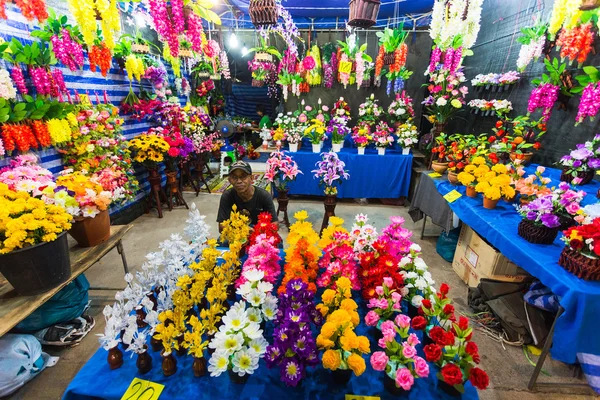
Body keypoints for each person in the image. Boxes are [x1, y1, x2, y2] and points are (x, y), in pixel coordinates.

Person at [217, 160, 278, 232]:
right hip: (235, 231)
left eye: (243, 177)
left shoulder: (264, 196)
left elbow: (275, 224)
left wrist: (257, 232)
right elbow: (221, 226)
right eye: (234, 177)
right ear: (229, 180)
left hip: (259, 231)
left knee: (278, 242)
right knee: (221, 242)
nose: (239, 181)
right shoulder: (227, 196)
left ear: (252, 178)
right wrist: (242, 230)